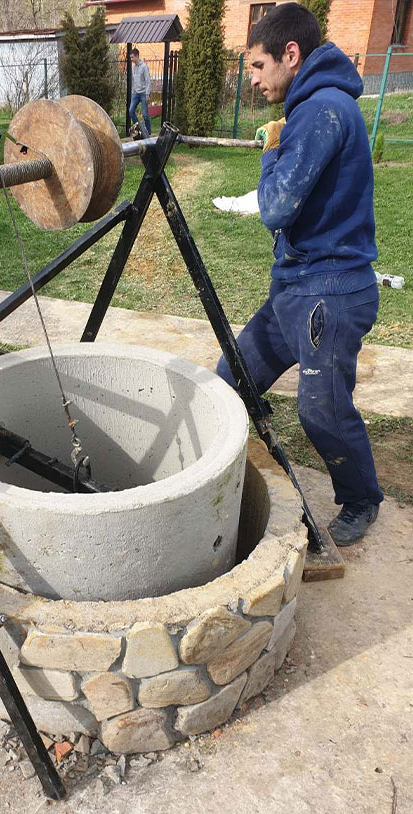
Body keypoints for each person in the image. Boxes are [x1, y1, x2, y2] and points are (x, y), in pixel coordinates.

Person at [215, 4, 382, 545]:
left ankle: (361, 499)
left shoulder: (322, 110)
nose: (255, 80)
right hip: (297, 288)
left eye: (260, 66)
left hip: (329, 295)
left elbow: (277, 207)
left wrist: (271, 149)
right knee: (231, 378)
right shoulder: (315, 107)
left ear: (292, 55)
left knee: (322, 409)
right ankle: (245, 467)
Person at [129, 47, 152, 136]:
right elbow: (133, 81)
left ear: (137, 56)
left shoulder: (144, 67)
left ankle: (148, 132)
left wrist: (147, 94)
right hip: (136, 93)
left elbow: (148, 80)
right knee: (131, 111)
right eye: (130, 57)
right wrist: (133, 92)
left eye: (132, 57)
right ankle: (140, 129)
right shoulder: (133, 68)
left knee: (145, 114)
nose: (131, 59)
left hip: (143, 93)